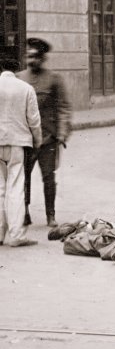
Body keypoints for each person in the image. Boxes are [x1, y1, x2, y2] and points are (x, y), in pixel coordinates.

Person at [18, 38, 72, 228]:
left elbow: (64, 107)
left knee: (49, 178)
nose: (30, 59)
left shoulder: (54, 79)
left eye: (34, 56)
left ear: (42, 58)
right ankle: (24, 212)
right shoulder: (19, 78)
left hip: (48, 138)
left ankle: (51, 215)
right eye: (28, 55)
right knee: (22, 178)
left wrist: (62, 133)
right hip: (25, 139)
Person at [0, 57, 42, 247]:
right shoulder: (26, 88)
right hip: (17, 143)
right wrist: (37, 142)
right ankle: (16, 235)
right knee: (16, 187)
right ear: (17, 70)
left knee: (0, 188)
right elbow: (34, 120)